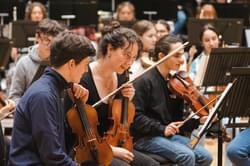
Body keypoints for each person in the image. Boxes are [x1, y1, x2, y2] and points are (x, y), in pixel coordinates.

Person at [8, 31, 96, 166]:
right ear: (71, 64)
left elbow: (62, 145)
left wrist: (79, 108)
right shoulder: (43, 95)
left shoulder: (54, 89)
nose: (85, 71)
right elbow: (52, 157)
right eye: (85, 64)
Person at [79, 22, 159, 166]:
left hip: (116, 143)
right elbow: (79, 132)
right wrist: (112, 150)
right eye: (126, 55)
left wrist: (128, 100)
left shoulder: (122, 77)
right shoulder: (84, 78)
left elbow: (121, 120)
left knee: (151, 165)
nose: (129, 62)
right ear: (110, 49)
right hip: (89, 149)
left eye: (134, 58)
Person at [131, 35, 213, 166]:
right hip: (144, 137)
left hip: (165, 136)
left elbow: (176, 122)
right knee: (187, 156)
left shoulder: (175, 84)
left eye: (182, 55)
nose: (182, 60)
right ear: (162, 56)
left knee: (206, 157)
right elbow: (135, 118)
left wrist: (198, 121)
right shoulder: (144, 81)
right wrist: (162, 129)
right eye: (177, 56)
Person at [8, 19, 65, 104]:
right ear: (37, 37)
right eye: (47, 40)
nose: (50, 46)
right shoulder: (23, 63)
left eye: (54, 42)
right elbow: (14, 97)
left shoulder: (61, 62)